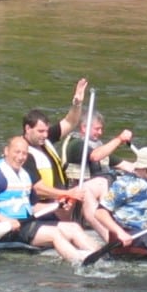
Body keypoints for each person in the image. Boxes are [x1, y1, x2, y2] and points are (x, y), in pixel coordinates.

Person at [0, 136, 100, 263]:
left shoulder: (25, 175)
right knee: (54, 234)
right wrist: (6, 220)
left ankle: (100, 255)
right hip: (6, 230)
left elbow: (33, 206)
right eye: (17, 152)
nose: (21, 157)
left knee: (73, 227)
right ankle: (79, 261)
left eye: (24, 153)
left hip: (26, 224)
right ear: (6, 151)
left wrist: (58, 205)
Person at [60, 110, 135, 240]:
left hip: (104, 194)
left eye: (101, 129)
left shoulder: (98, 146)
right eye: (97, 129)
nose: (100, 133)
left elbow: (125, 165)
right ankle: (110, 235)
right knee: (100, 182)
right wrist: (119, 139)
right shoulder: (76, 145)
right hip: (77, 199)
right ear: (84, 128)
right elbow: (95, 156)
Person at [21, 78, 88, 216]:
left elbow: (70, 121)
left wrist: (77, 104)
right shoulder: (23, 153)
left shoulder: (46, 138)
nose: (45, 135)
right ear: (28, 128)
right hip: (42, 206)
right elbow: (38, 188)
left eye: (46, 131)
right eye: (40, 131)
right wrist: (67, 193)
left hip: (61, 199)